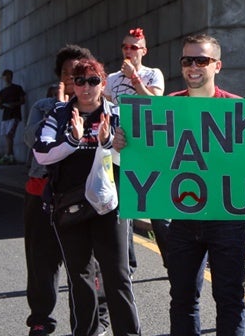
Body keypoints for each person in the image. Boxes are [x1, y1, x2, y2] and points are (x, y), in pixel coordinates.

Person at [113, 33, 245, 336]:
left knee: (230, 299)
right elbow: (148, 153)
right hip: (182, 219)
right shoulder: (166, 109)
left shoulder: (239, 109)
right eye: (187, 60)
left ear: (217, 65)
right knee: (182, 300)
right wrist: (125, 142)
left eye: (201, 60)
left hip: (227, 220)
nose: (193, 66)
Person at [34, 58, 140, 336]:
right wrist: (72, 140)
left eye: (93, 81)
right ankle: (86, 332)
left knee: (117, 275)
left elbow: (134, 158)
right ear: (73, 85)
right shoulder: (58, 115)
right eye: (80, 81)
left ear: (103, 83)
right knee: (80, 277)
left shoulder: (117, 115)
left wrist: (108, 144)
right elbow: (41, 152)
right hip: (69, 205)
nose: (86, 87)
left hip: (109, 207)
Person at [23, 45, 110, 336]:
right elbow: (33, 144)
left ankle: (92, 323)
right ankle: (41, 318)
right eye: (72, 77)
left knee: (87, 266)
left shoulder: (103, 109)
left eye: (87, 78)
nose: (79, 84)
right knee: (41, 261)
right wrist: (59, 111)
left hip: (87, 197)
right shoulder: (44, 108)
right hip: (43, 194)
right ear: (62, 78)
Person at [103, 27, 168, 271]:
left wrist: (134, 78)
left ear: (144, 50)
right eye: (125, 47)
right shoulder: (111, 79)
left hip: (149, 154)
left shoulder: (153, 74)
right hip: (119, 153)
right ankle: (127, 266)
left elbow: (153, 103)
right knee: (122, 211)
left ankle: (172, 263)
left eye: (134, 47)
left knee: (159, 214)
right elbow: (106, 110)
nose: (128, 52)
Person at [0, 69, 26, 164]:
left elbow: (22, 100)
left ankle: (7, 155)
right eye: (5, 76)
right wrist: (2, 104)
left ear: (11, 77)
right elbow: (0, 105)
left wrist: (14, 104)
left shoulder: (17, 88)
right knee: (8, 136)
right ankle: (10, 156)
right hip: (6, 116)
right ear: (3, 78)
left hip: (14, 115)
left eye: (9, 76)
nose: (7, 78)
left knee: (10, 135)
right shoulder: (2, 91)